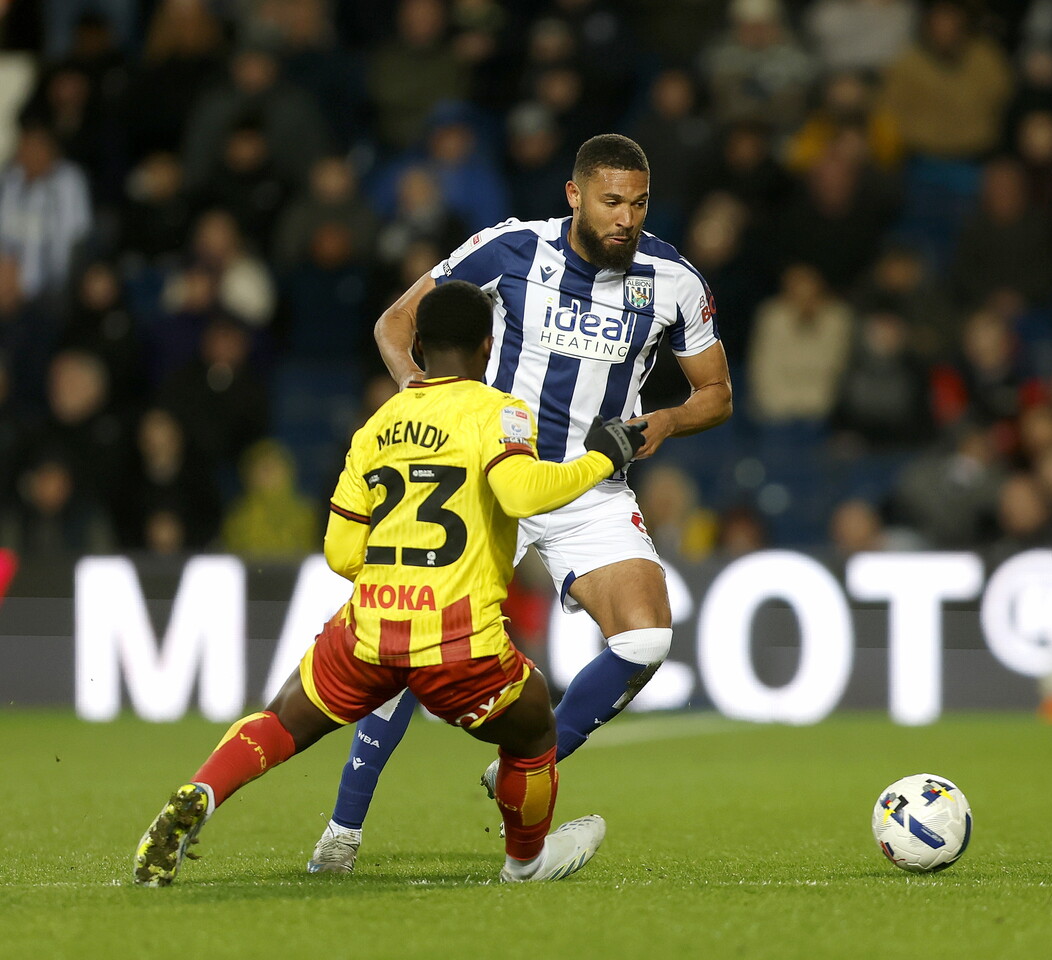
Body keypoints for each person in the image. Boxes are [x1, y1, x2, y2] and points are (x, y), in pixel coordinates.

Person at [307, 133, 732, 873]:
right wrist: (432, 410)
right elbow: (394, 325)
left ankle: (524, 767)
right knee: (402, 645)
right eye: (610, 202)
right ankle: (342, 831)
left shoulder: (673, 280)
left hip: (588, 487)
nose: (626, 219)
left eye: (638, 203)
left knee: (648, 638)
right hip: (489, 479)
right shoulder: (507, 250)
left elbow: (717, 393)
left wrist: (663, 420)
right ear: (574, 196)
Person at [133, 280, 648, 887]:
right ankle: (525, 863)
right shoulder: (500, 410)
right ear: (488, 349)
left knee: (280, 721)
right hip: (460, 639)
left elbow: (339, 551)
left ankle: (202, 790)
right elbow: (517, 493)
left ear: (421, 346)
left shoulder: (377, 425)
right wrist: (599, 460)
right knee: (535, 724)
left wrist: (394, 577)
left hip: (369, 629)